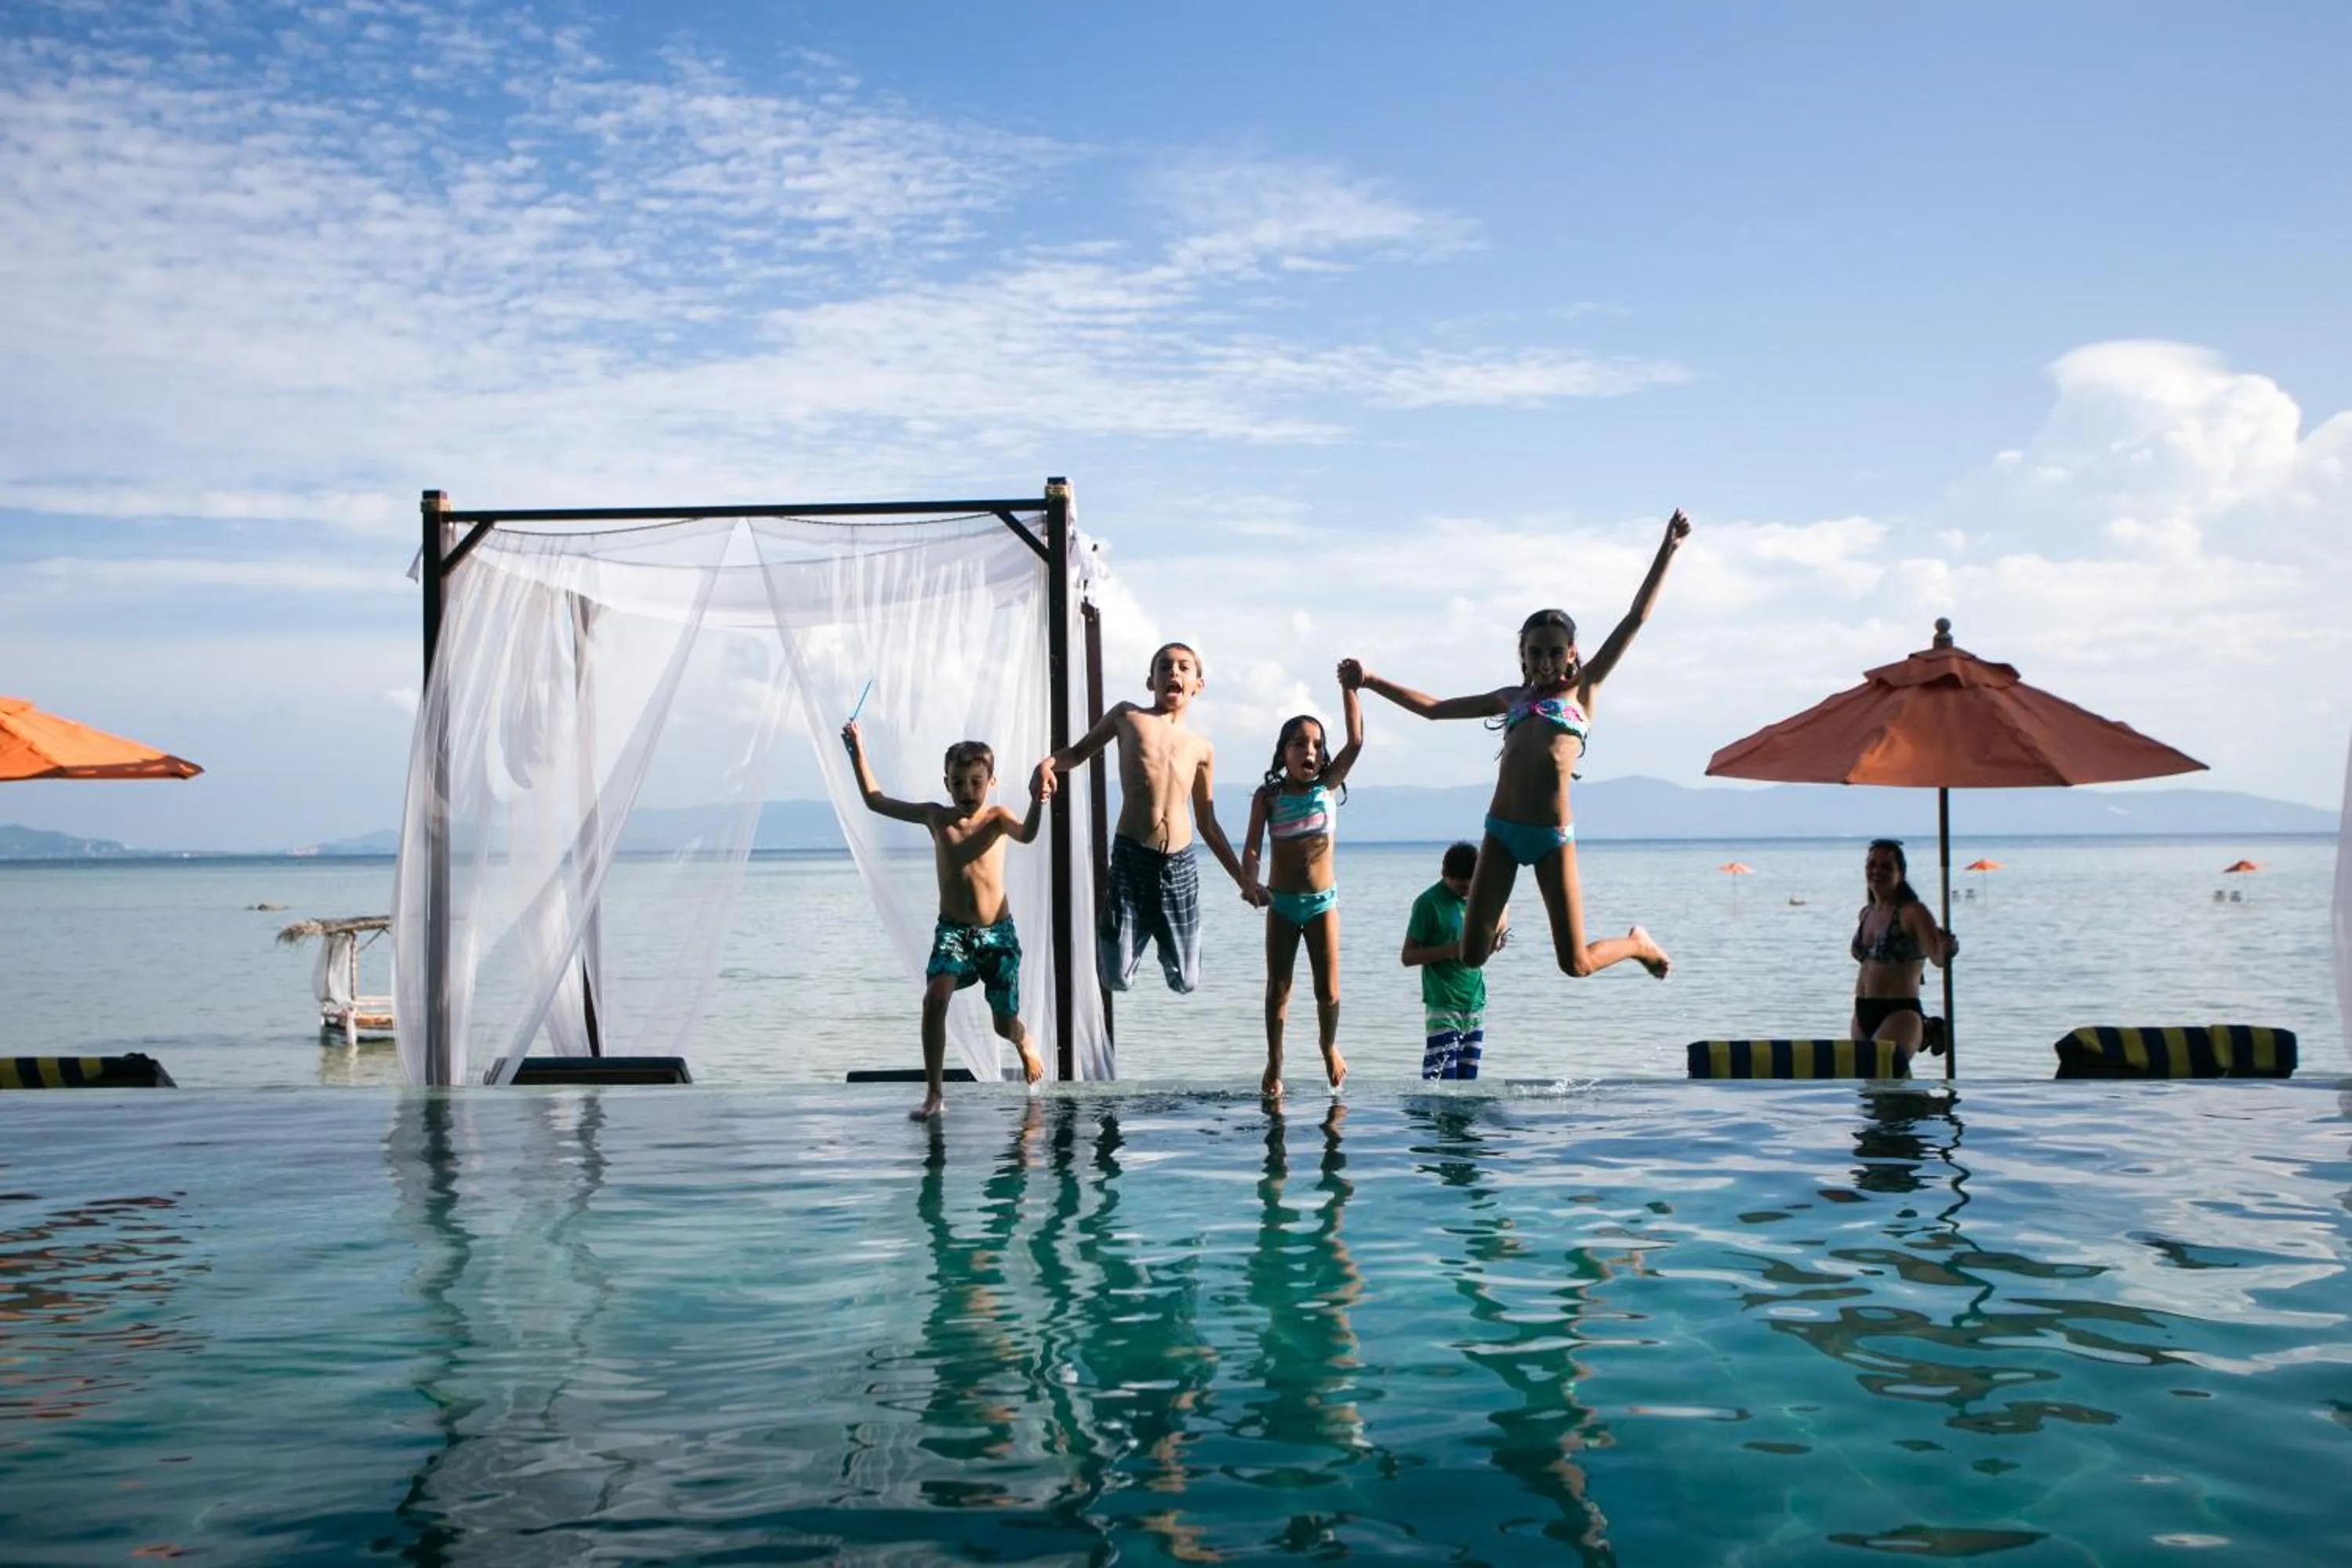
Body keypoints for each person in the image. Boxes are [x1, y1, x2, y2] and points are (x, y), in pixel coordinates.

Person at [1345, 510, 1690, 985]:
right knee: (1471, 956)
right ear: (1522, 654)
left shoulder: (1583, 691)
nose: (1545, 661)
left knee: (1576, 964)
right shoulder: (1511, 699)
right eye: (1535, 652)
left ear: (1571, 653)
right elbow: (1434, 708)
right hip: (1502, 832)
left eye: (1554, 651)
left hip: (1551, 838)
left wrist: (1667, 550)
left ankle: (1637, 945)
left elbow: (1635, 619)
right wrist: (1371, 681)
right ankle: (1500, 909)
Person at [844, 722, 1048, 1120]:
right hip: (953, 932)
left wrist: (1038, 800)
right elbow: (874, 800)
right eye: (958, 783)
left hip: (998, 936)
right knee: (935, 999)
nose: (968, 792)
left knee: (1003, 1026)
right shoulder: (936, 818)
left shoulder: (997, 818)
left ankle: (1022, 1040)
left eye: (976, 782)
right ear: (946, 782)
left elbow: (1028, 834)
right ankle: (935, 1093)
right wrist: (857, 751)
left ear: (991, 781)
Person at [1037, 641, 1265, 997]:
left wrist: (1243, 881)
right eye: (1165, 666)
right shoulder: (1128, 718)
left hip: (1180, 863)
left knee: (1187, 981)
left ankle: (1159, 927)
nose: (1174, 672)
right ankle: (1122, 926)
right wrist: (1048, 764)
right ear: (1150, 681)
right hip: (1133, 856)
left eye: (1184, 667)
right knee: (1116, 978)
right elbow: (1077, 753)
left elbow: (1208, 822)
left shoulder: (1201, 748)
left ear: (1197, 686)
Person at [1241, 673, 1365, 1096]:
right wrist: (1249, 880)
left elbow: (1357, 742)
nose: (1308, 751)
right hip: (1281, 904)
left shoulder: (1328, 788)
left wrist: (1350, 688)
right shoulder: (1268, 797)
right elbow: (1253, 846)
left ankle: (1328, 1045)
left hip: (1320, 904)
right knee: (1278, 988)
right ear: (1283, 754)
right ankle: (1275, 1061)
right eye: (1299, 744)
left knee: (1327, 990)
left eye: (1315, 745)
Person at [1403, 840, 1510, 1080]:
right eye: (1460, 887)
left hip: (1475, 1001)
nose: (1465, 892)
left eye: (1470, 886)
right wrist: (1452, 950)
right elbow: (1407, 956)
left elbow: (1503, 907)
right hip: (1443, 1002)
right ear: (1444, 874)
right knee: (1440, 1081)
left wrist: (1496, 939)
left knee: (1468, 1082)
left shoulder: (1481, 898)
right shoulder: (1428, 903)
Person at [1850, 837, 1958, 1065]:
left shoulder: (1913, 912)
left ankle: (1924, 1031)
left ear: (1901, 873)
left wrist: (1948, 948)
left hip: (1899, 1012)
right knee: (1866, 1088)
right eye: (1872, 865)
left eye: (1886, 866)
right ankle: (1928, 1032)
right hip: (1863, 1011)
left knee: (1882, 1077)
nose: (1877, 871)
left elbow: (1937, 958)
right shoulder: (1866, 914)